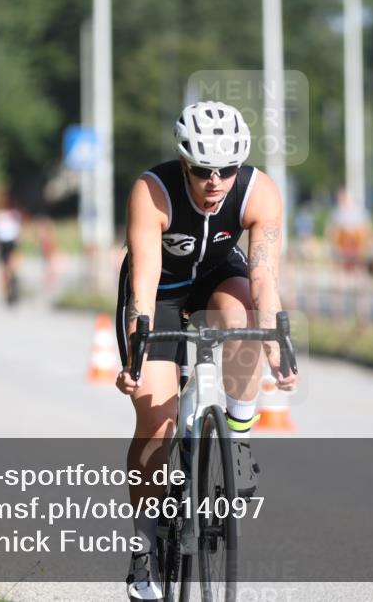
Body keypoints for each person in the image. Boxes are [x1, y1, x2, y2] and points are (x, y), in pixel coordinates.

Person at [114, 101, 299, 600]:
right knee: (156, 418)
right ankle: (144, 548)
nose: (215, 182)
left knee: (243, 324)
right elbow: (145, 281)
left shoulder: (260, 193)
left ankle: (236, 434)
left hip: (220, 277)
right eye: (202, 171)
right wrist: (137, 350)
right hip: (161, 293)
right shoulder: (153, 192)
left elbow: (264, 278)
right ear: (183, 163)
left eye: (226, 170)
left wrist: (278, 344)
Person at [0, 191, 23, 306]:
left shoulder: (13, 213)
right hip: (3, 243)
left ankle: (12, 281)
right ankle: (7, 288)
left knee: (9, 265)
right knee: (3, 267)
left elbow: (18, 230)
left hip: (10, 243)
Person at [327, 188, 372, 274]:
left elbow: (366, 226)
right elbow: (332, 227)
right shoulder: (337, 212)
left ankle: (357, 266)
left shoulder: (359, 210)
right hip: (342, 238)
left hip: (356, 237)